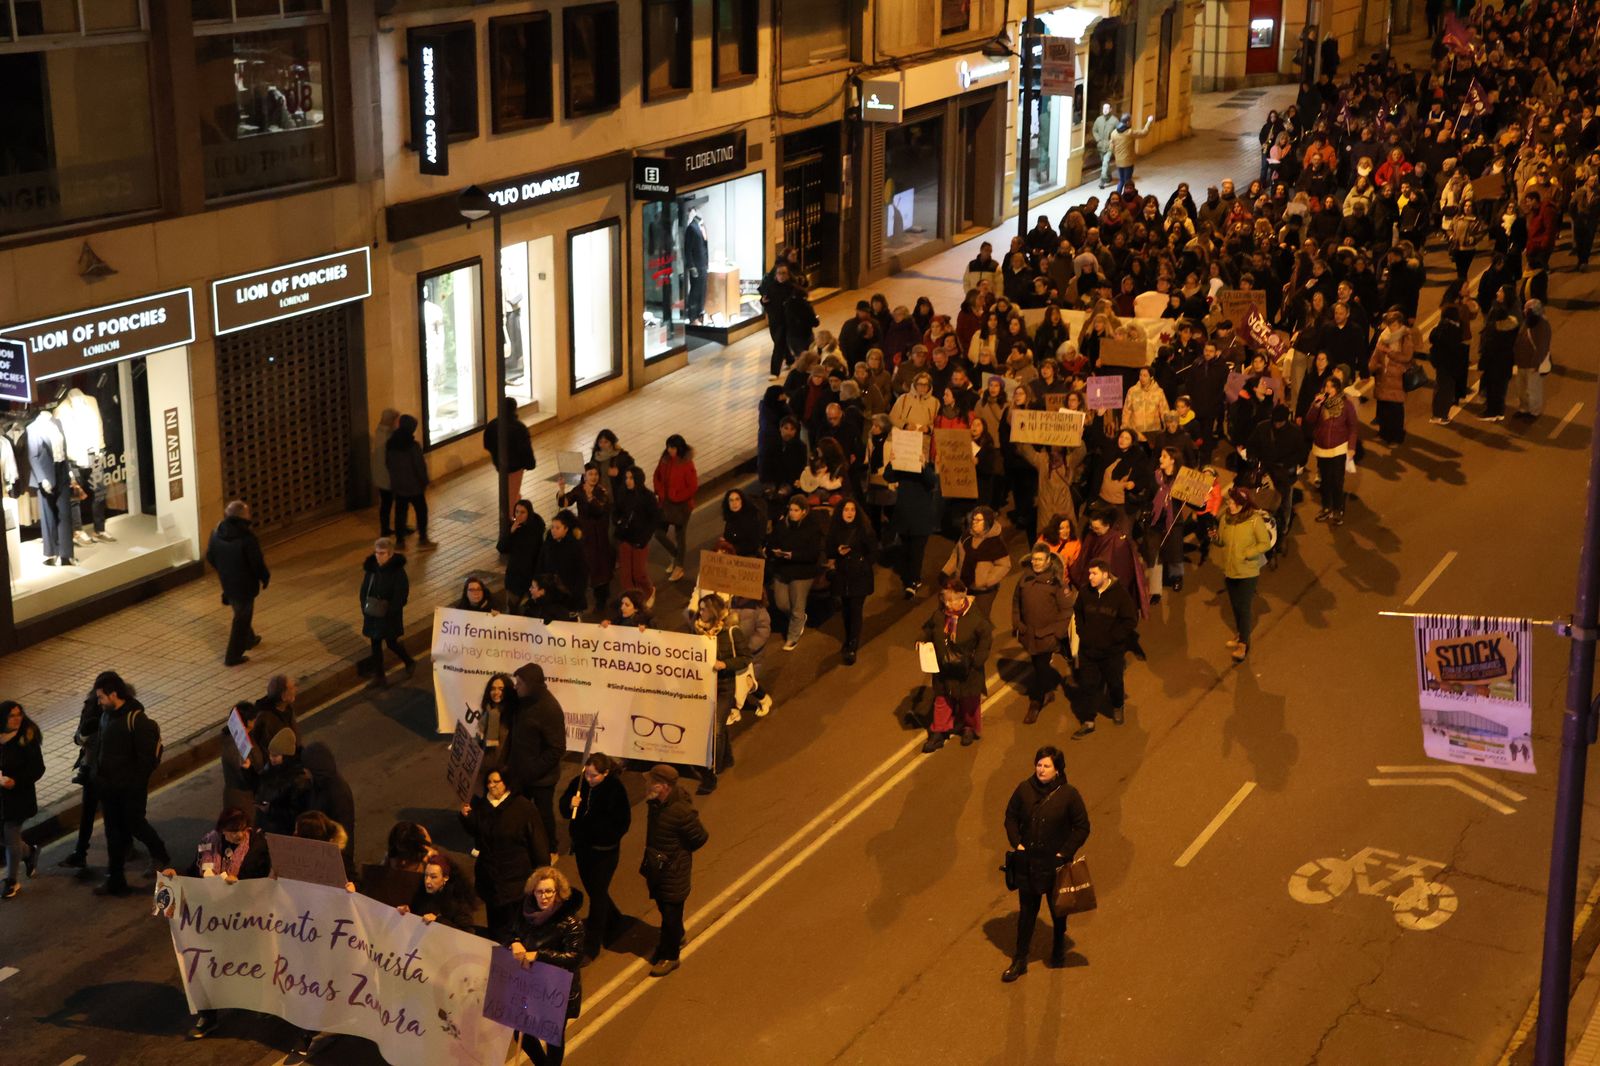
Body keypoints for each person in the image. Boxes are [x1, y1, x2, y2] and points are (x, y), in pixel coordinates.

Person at [1001, 746, 1091, 982]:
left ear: (1057, 769)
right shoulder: (1024, 789)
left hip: (1055, 865)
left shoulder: (1069, 795)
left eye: (1047, 766)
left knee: (1058, 911)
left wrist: (1064, 852)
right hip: (1028, 863)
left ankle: (1058, 948)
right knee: (1026, 915)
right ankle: (1020, 960)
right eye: (1039, 765)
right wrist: (1017, 843)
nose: (1041, 769)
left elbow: (1082, 827)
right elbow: (1010, 817)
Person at [90, 671, 171, 896]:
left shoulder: (137, 721)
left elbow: (147, 761)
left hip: (129, 790)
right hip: (109, 789)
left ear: (114, 694)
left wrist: (131, 784)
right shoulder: (106, 716)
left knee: (135, 824)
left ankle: (160, 853)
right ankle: (115, 880)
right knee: (113, 835)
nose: (99, 702)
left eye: (101, 697)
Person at [461, 765, 549, 942]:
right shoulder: (481, 806)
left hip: (515, 879)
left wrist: (543, 874)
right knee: (496, 926)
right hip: (490, 879)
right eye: (489, 782)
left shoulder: (524, 808)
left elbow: (538, 843)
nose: (492, 786)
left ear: (506, 783)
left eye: (496, 781)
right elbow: (477, 834)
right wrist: (466, 818)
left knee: (516, 926)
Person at [507, 866, 585, 1064]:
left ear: (558, 892)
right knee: (522, 1033)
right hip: (531, 984)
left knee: (552, 1037)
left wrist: (539, 955)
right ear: (533, 892)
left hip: (558, 989)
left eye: (549, 891)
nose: (544, 896)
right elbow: (512, 932)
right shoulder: (525, 913)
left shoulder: (570, 922)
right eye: (539, 891)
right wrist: (514, 941)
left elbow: (574, 957)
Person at [640, 764, 709, 977]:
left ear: (663, 786)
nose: (647, 784)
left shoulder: (680, 812)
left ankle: (670, 956)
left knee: (670, 915)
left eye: (651, 781)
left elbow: (700, 837)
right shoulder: (655, 804)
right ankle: (676, 936)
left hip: (673, 872)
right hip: (658, 868)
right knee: (665, 908)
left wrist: (676, 856)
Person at [560, 753, 632, 957]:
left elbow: (622, 822)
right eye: (587, 774)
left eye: (594, 776)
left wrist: (601, 836)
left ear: (606, 773)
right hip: (583, 849)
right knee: (594, 890)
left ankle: (592, 944)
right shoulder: (579, 783)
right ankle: (615, 920)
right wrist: (570, 804)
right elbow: (564, 809)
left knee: (597, 895)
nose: (589, 779)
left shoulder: (615, 790)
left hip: (604, 853)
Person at [920, 580, 995, 752]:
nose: (947, 604)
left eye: (951, 600)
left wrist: (976, 662)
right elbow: (928, 629)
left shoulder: (977, 619)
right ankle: (939, 732)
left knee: (969, 701)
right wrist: (921, 639)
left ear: (962, 600)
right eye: (945, 600)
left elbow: (985, 641)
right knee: (942, 700)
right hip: (945, 668)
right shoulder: (939, 616)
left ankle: (969, 727)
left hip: (968, 670)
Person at [1071, 561, 1137, 740]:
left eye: (1094, 573)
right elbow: (1078, 612)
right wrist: (1082, 631)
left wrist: (1113, 638)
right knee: (1088, 684)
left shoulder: (1120, 595)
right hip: (1088, 651)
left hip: (1111, 652)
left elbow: (1130, 620)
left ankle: (1117, 706)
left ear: (1105, 574)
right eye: (1089, 573)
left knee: (1115, 683)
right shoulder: (1085, 592)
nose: (1090, 577)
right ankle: (1088, 721)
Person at [507, 663, 567, 855]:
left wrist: (532, 770)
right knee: (519, 812)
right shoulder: (522, 700)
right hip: (520, 774)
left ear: (531, 685)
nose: (516, 686)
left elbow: (557, 748)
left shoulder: (549, 709)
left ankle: (550, 848)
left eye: (520, 683)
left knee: (543, 815)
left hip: (541, 779)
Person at [1013, 549, 1075, 725]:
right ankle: (1047, 692)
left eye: (1040, 559)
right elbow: (1016, 603)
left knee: (1040, 667)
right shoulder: (1024, 579)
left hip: (1047, 636)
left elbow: (1066, 611)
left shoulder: (1057, 584)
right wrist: (1017, 623)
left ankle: (1036, 702)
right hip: (1029, 635)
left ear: (1048, 561)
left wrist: (1057, 633)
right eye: (1034, 559)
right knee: (1036, 664)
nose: (1036, 562)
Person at [205, 500, 269, 667]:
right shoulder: (247, 538)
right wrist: (264, 577)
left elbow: (210, 556)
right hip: (244, 584)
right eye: (248, 513)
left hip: (227, 581)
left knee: (240, 611)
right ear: (242, 517)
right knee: (242, 617)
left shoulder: (216, 532)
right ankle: (232, 656)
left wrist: (224, 570)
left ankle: (249, 638)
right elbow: (256, 562)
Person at [1212, 488, 1272, 664]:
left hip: (1247, 572)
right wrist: (1214, 537)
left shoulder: (1254, 520)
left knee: (1244, 608)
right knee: (1235, 606)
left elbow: (1265, 543)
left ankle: (1243, 645)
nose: (1228, 504)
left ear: (1241, 504)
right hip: (1230, 570)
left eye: (1232, 502)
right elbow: (1221, 541)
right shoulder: (1225, 519)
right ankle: (1241, 634)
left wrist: (1247, 553)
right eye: (1229, 501)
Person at [766, 495, 823, 651]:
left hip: (802, 571)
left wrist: (794, 555)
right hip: (783, 569)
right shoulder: (782, 525)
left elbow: (813, 554)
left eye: (796, 510)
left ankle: (793, 637)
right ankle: (799, 618)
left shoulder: (812, 527)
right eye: (790, 509)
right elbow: (771, 543)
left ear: (804, 511)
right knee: (782, 603)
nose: (792, 513)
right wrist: (775, 552)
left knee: (797, 605)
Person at [825, 499, 878, 666]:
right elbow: (828, 551)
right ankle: (849, 638)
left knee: (855, 610)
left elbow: (873, 553)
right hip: (842, 576)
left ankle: (852, 646)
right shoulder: (835, 530)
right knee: (847, 610)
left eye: (852, 510)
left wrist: (861, 561)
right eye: (846, 510)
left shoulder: (864, 530)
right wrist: (837, 552)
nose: (849, 513)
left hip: (859, 576)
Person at [558, 463, 616, 612]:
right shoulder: (579, 490)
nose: (593, 477)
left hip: (599, 536)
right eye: (590, 474)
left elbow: (599, 510)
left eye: (596, 474)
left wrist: (590, 496)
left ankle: (601, 599)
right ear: (584, 476)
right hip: (585, 536)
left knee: (600, 567)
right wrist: (562, 489)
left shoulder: (602, 491)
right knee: (585, 566)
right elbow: (565, 502)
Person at [0, 700, 43, 897]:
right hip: (1, 797)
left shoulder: (26, 739)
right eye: (12, 715)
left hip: (18, 798)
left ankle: (12, 881)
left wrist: (16, 782)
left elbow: (37, 769)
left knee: (11, 837)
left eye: (19, 714)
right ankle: (29, 852)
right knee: (8, 839)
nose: (17, 719)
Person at [359, 537, 415, 685]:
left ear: (390, 554)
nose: (378, 556)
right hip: (373, 614)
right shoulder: (371, 569)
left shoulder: (397, 572)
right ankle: (379, 676)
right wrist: (364, 607)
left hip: (389, 615)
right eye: (376, 552)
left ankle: (409, 661)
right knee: (375, 644)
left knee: (391, 643)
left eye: (382, 553)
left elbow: (401, 595)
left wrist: (391, 611)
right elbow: (364, 590)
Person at [1303, 377, 1357, 527]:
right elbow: (1309, 419)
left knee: (1337, 480)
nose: (1328, 390)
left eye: (1331, 387)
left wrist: (1351, 447)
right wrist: (1315, 405)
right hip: (1322, 448)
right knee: (1325, 481)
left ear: (1337, 389)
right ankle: (1326, 506)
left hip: (1339, 447)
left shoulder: (1346, 405)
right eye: (1326, 387)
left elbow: (1353, 427)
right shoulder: (1320, 403)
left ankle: (1338, 508)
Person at [385, 414, 435, 550]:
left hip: (399, 486)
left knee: (400, 513)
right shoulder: (413, 446)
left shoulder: (391, 444)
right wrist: (425, 481)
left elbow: (388, 464)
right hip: (414, 486)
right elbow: (419, 467)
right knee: (421, 511)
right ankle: (423, 539)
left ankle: (400, 541)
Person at [653, 434, 698, 582]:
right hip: (665, 503)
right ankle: (676, 555)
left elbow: (692, 487)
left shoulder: (687, 464)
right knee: (659, 533)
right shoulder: (664, 459)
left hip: (682, 506)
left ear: (679, 448)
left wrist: (676, 496)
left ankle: (679, 567)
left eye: (672, 447)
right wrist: (660, 492)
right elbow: (657, 476)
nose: (669, 450)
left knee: (680, 536)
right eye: (668, 447)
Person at [612, 466, 659, 608]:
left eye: (631, 478)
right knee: (625, 574)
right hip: (625, 538)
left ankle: (649, 592)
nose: (628, 481)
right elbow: (616, 511)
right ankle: (632, 598)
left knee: (639, 573)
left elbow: (654, 519)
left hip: (640, 540)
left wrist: (645, 538)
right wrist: (618, 521)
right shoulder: (622, 494)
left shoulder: (648, 497)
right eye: (626, 478)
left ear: (638, 479)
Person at [483, 396, 537, 518]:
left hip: (500, 465)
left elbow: (487, 444)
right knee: (512, 496)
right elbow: (525, 448)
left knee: (510, 492)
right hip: (515, 466)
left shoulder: (492, 425)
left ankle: (515, 512)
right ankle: (511, 520)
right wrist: (530, 463)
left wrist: (496, 457)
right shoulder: (518, 427)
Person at [396, 852, 476, 931]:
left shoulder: (458, 900)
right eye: (426, 875)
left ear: (445, 878)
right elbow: (417, 916)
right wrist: (408, 913)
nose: (427, 881)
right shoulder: (422, 893)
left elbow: (466, 932)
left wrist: (438, 920)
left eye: (433, 877)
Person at [1369, 310, 1414, 445]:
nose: (1391, 327)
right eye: (1390, 324)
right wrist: (1371, 367)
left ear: (1400, 324)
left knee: (1395, 410)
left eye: (1394, 325)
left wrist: (1390, 352)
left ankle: (1396, 436)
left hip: (1397, 378)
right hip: (1383, 376)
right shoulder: (1384, 336)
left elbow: (1407, 357)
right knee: (1384, 408)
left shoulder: (1405, 337)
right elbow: (1376, 354)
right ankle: (1384, 433)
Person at [218, 700, 259, 824]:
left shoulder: (244, 736)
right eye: (253, 718)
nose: (256, 720)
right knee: (243, 826)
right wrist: (249, 769)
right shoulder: (233, 746)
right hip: (241, 799)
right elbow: (244, 777)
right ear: (247, 721)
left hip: (246, 796)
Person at [1513, 299, 1552, 419]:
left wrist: (1536, 364)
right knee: (1521, 389)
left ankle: (1534, 411)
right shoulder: (1528, 321)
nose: (1524, 311)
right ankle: (1524, 408)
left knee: (1533, 390)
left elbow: (1542, 347)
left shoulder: (1542, 325)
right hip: (1522, 363)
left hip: (1533, 365)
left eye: (1526, 309)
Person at [372, 407, 400, 538]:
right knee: (390, 503)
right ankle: (389, 528)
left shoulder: (379, 432)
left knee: (385, 504)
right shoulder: (389, 436)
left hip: (380, 477)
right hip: (388, 477)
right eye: (396, 420)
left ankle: (385, 528)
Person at [1110, 114, 1155, 195]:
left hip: (1119, 162)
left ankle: (1117, 196)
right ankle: (1127, 197)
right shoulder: (1129, 132)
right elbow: (1144, 133)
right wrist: (1149, 121)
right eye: (1130, 121)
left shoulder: (1114, 133)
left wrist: (1116, 155)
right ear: (1127, 122)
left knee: (1121, 180)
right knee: (1128, 182)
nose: (1131, 122)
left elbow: (1111, 147)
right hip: (1128, 162)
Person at [1092, 103, 1118, 188]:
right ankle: (1109, 177)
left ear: (1110, 109)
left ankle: (1102, 180)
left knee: (1105, 162)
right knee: (1104, 162)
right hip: (1100, 146)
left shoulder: (1115, 121)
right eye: (1104, 108)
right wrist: (1098, 139)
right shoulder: (1098, 120)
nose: (1105, 110)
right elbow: (1094, 130)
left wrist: (1113, 140)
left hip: (1110, 145)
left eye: (1107, 108)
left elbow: (1118, 132)